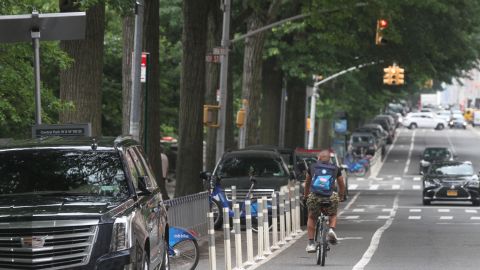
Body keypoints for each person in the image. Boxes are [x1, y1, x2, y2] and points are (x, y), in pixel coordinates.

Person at [304, 149, 346, 253]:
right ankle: (331, 229)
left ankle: (311, 243)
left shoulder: (312, 167)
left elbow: (307, 183)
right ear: (330, 159)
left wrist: (305, 196)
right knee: (332, 214)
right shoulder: (335, 169)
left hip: (315, 197)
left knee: (312, 217)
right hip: (330, 197)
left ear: (318, 158)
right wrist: (341, 196)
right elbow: (341, 184)